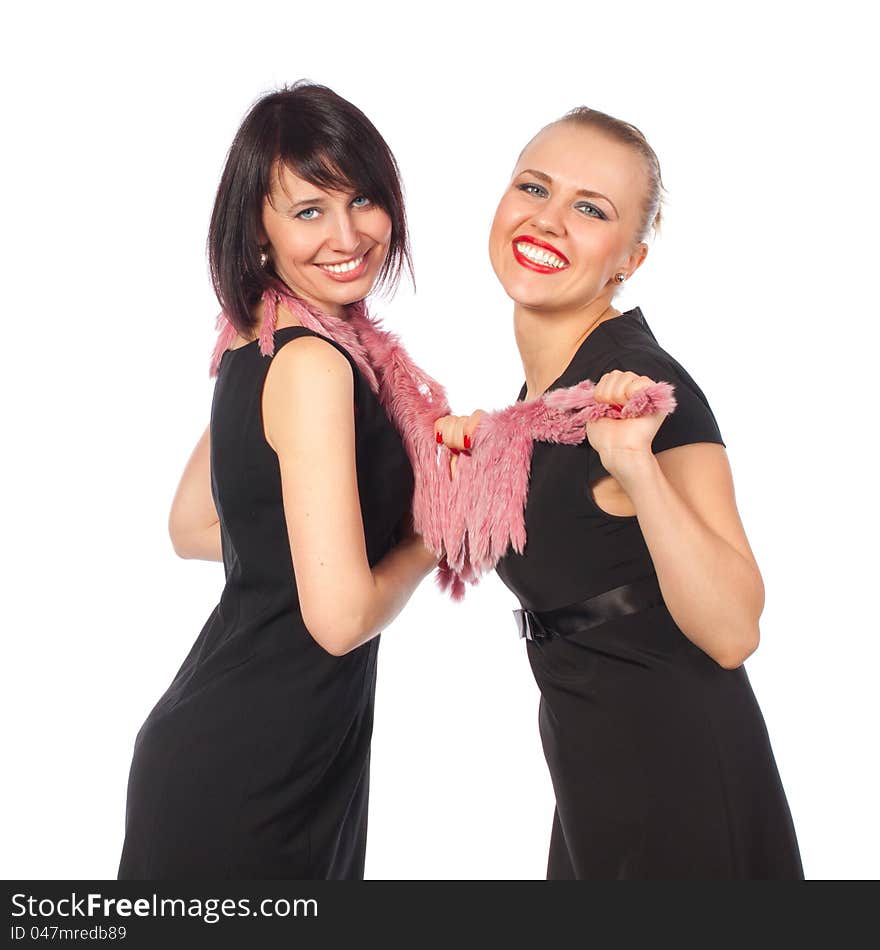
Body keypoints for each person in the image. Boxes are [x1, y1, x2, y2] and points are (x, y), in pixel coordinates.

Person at [435, 108, 803, 879]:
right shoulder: (549, 396)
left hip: (682, 797)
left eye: (590, 208)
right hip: (595, 791)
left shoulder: (642, 390)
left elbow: (735, 628)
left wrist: (639, 468)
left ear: (628, 259)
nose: (548, 219)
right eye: (533, 186)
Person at [118, 83, 438, 879]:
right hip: (259, 776)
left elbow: (193, 525)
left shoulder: (254, 346)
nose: (347, 234)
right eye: (308, 211)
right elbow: (340, 621)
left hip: (247, 751)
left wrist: (315, 536)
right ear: (257, 236)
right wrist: (433, 531)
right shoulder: (312, 365)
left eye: (362, 198)